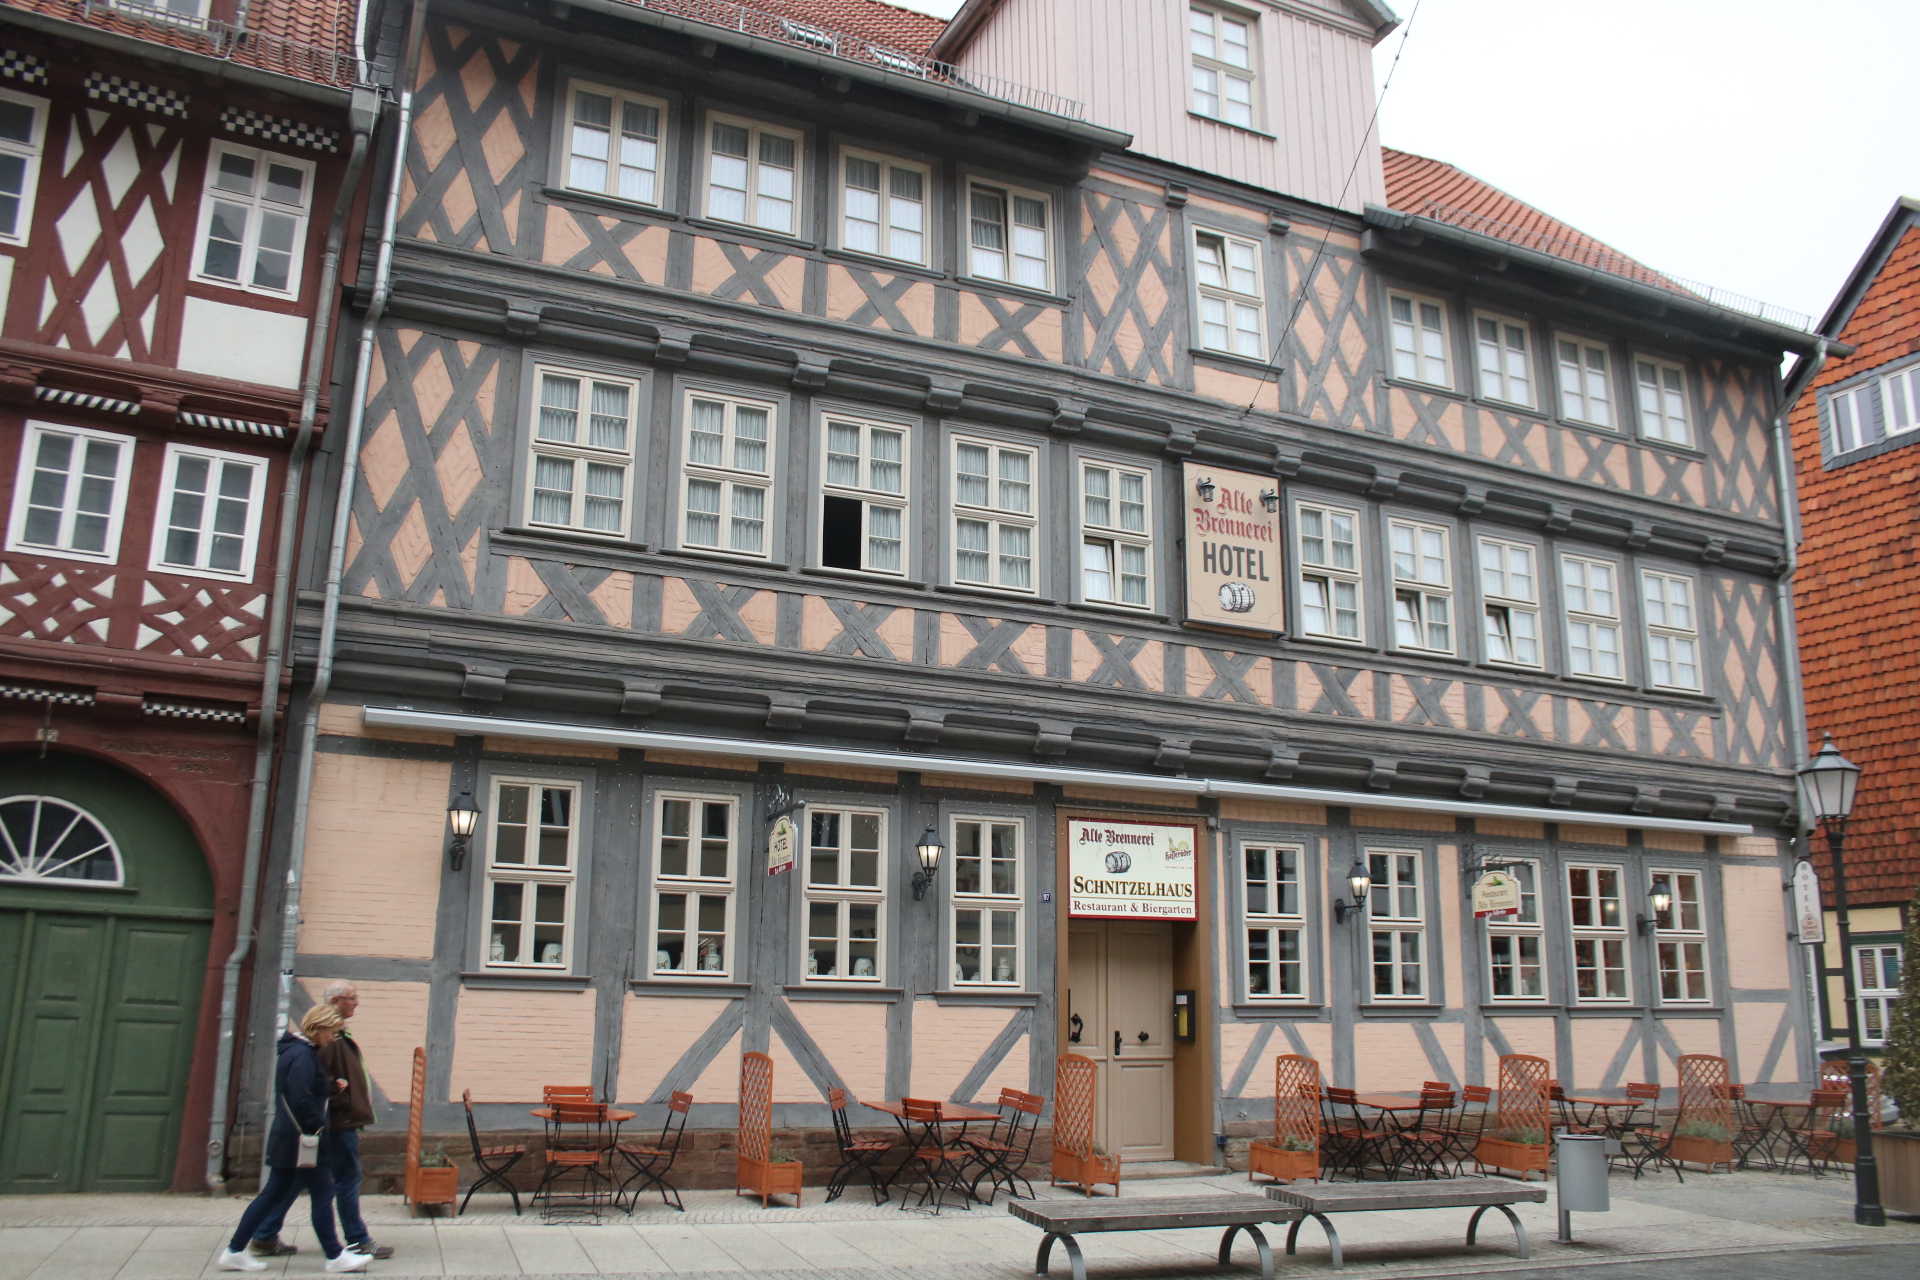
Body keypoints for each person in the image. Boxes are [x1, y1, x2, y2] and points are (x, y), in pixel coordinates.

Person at [217, 1004, 370, 1273]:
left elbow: (301, 1091)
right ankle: (336, 1256)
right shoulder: (302, 1056)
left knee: (272, 1194)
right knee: (322, 1194)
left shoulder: (297, 1052)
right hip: (304, 1140)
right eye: (332, 1032)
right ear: (319, 1027)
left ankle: (235, 1250)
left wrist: (330, 1087)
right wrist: (320, 1127)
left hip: (289, 1139)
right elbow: (300, 1099)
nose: (333, 1038)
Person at [249, 982, 393, 1260]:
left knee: (296, 1179)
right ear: (337, 1001)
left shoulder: (334, 1034)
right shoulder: (328, 1038)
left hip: (332, 1120)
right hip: (335, 1122)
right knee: (347, 1178)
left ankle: (265, 1235)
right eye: (352, 998)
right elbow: (312, 1081)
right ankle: (357, 1240)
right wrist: (336, 1101)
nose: (357, 1003)